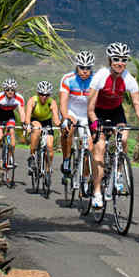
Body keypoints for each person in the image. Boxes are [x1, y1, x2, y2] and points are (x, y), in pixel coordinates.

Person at [86, 43, 139, 209]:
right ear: (110, 60)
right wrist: (94, 122)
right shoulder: (101, 76)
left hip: (116, 111)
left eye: (123, 60)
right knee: (99, 149)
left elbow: (138, 106)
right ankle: (97, 192)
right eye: (116, 59)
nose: (120, 63)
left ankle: (119, 172)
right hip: (98, 113)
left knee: (123, 137)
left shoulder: (129, 79)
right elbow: (90, 108)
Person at [58, 51, 95, 184]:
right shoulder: (68, 79)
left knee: (90, 148)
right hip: (71, 111)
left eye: (88, 68)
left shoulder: (96, 80)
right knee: (68, 130)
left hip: (87, 114)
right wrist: (65, 117)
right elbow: (63, 103)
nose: (85, 71)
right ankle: (66, 159)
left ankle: (85, 178)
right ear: (77, 66)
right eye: (82, 67)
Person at [23, 80, 62, 178]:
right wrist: (27, 125)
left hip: (47, 122)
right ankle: (32, 157)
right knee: (37, 129)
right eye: (41, 94)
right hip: (35, 120)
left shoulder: (51, 102)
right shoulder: (33, 100)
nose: (44, 97)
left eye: (47, 95)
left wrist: (61, 126)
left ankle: (48, 170)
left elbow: (56, 119)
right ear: (37, 93)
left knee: (50, 147)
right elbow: (27, 117)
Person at [0, 78, 25, 166]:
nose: (10, 91)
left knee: (12, 132)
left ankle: (10, 157)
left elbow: (22, 113)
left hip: (10, 116)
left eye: (12, 90)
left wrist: (24, 123)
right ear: (4, 90)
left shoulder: (19, 98)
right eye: (7, 89)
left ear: (15, 90)